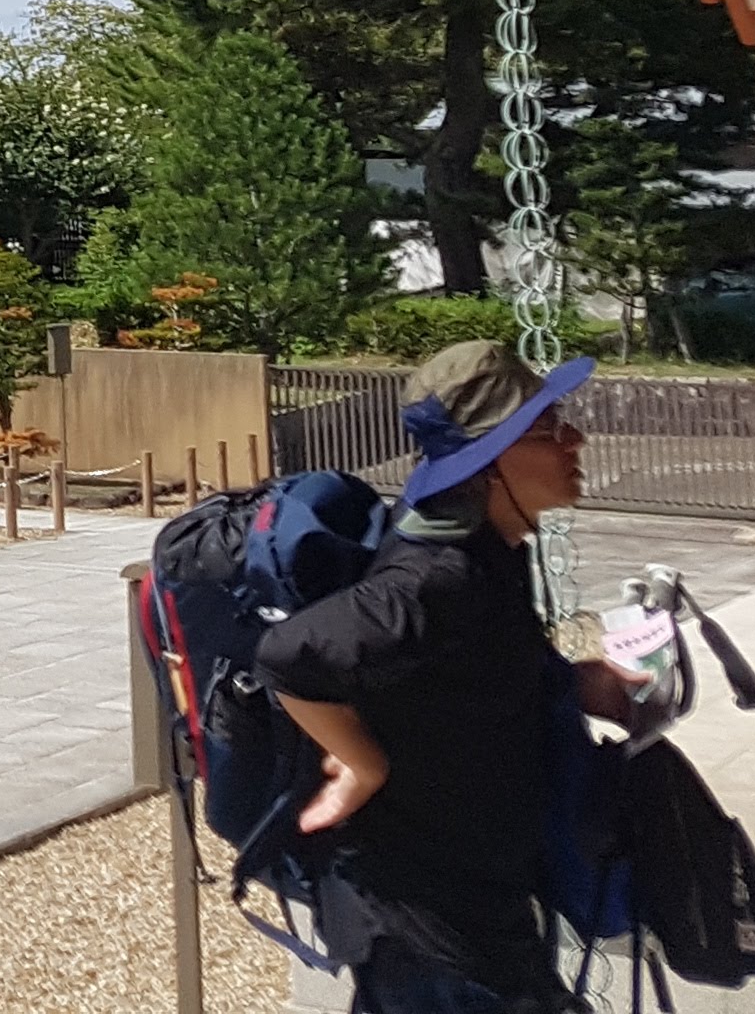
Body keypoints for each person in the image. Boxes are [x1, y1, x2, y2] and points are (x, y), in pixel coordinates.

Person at [255, 339, 647, 1014]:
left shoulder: (493, 549)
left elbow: (471, 673)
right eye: (549, 429)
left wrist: (582, 682)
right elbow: (288, 654)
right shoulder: (437, 578)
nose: (575, 440)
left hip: (481, 901)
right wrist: (363, 766)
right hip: (428, 928)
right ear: (491, 462)